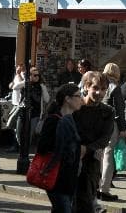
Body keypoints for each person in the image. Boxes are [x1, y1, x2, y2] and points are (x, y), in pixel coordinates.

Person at [36, 83, 83, 212]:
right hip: (57, 178)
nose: (81, 99)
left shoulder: (71, 119)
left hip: (69, 179)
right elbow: (42, 148)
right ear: (67, 99)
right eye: (78, 96)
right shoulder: (54, 120)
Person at [73, 71, 114, 213]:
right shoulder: (75, 107)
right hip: (70, 160)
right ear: (86, 86)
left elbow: (105, 138)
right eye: (95, 88)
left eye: (103, 89)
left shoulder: (108, 111)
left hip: (91, 162)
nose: (99, 92)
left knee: (85, 202)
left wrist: (87, 148)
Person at [98, 63, 126, 202]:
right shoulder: (115, 88)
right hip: (112, 124)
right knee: (108, 156)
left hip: (99, 123)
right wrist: (123, 128)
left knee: (100, 154)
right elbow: (120, 110)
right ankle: (104, 189)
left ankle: (97, 186)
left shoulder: (100, 85)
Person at [19, 67, 50, 145]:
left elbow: (47, 99)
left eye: (37, 75)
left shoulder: (41, 86)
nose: (36, 77)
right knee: (19, 130)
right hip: (23, 112)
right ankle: (21, 148)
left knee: (30, 133)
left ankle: (25, 151)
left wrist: (43, 88)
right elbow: (14, 87)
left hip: (35, 113)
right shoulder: (25, 84)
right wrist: (27, 81)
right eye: (33, 75)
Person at [7, 63, 25, 152]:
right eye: (17, 67)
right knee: (13, 126)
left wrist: (18, 74)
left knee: (18, 127)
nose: (18, 69)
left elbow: (22, 84)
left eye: (20, 67)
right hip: (14, 103)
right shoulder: (16, 76)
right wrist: (12, 84)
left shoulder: (23, 75)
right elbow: (11, 85)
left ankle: (17, 146)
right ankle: (15, 145)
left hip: (19, 104)